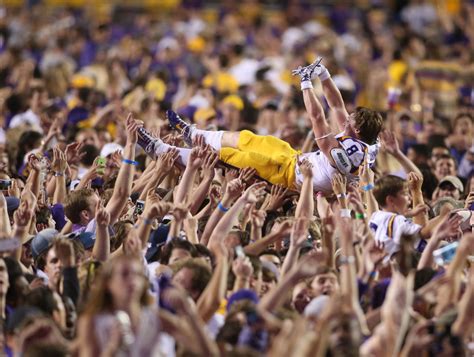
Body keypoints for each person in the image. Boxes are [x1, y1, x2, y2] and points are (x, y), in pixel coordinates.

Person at [136, 58, 384, 193]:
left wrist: (306, 83)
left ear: (358, 130)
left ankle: (159, 150)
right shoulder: (361, 143)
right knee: (247, 138)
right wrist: (323, 73)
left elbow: (319, 121)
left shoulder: (348, 154)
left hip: (289, 175)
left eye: (352, 120)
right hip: (293, 158)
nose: (347, 118)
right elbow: (337, 106)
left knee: (225, 156)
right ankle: (193, 132)